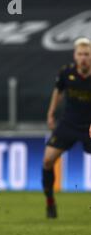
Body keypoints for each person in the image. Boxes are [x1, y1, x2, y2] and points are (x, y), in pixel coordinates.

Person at [43, 37, 91, 219]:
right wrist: (51, 113)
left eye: (87, 54)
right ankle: (50, 202)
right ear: (75, 56)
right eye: (80, 54)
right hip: (68, 124)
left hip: (89, 126)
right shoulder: (66, 72)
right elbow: (58, 91)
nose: (84, 58)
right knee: (47, 161)